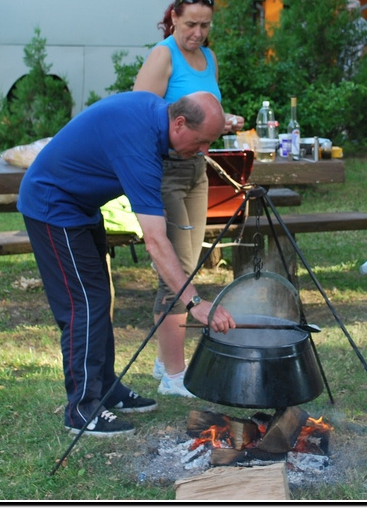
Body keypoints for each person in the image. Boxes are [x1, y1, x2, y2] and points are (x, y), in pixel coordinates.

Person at [17, 91, 237, 437]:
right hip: (53, 206)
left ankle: (106, 388)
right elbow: (155, 240)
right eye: (202, 141)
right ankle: (82, 409)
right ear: (179, 123)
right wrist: (195, 302)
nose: (204, 151)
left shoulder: (155, 118)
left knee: (101, 296)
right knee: (84, 305)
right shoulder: (139, 147)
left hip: (80, 207)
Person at [133, 0, 244, 398]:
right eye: (190, 24)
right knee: (174, 272)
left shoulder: (208, 57)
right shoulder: (163, 54)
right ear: (174, 18)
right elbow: (139, 112)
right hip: (165, 168)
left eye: (205, 25)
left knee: (190, 263)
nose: (198, 33)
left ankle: (165, 360)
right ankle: (175, 378)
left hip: (197, 166)